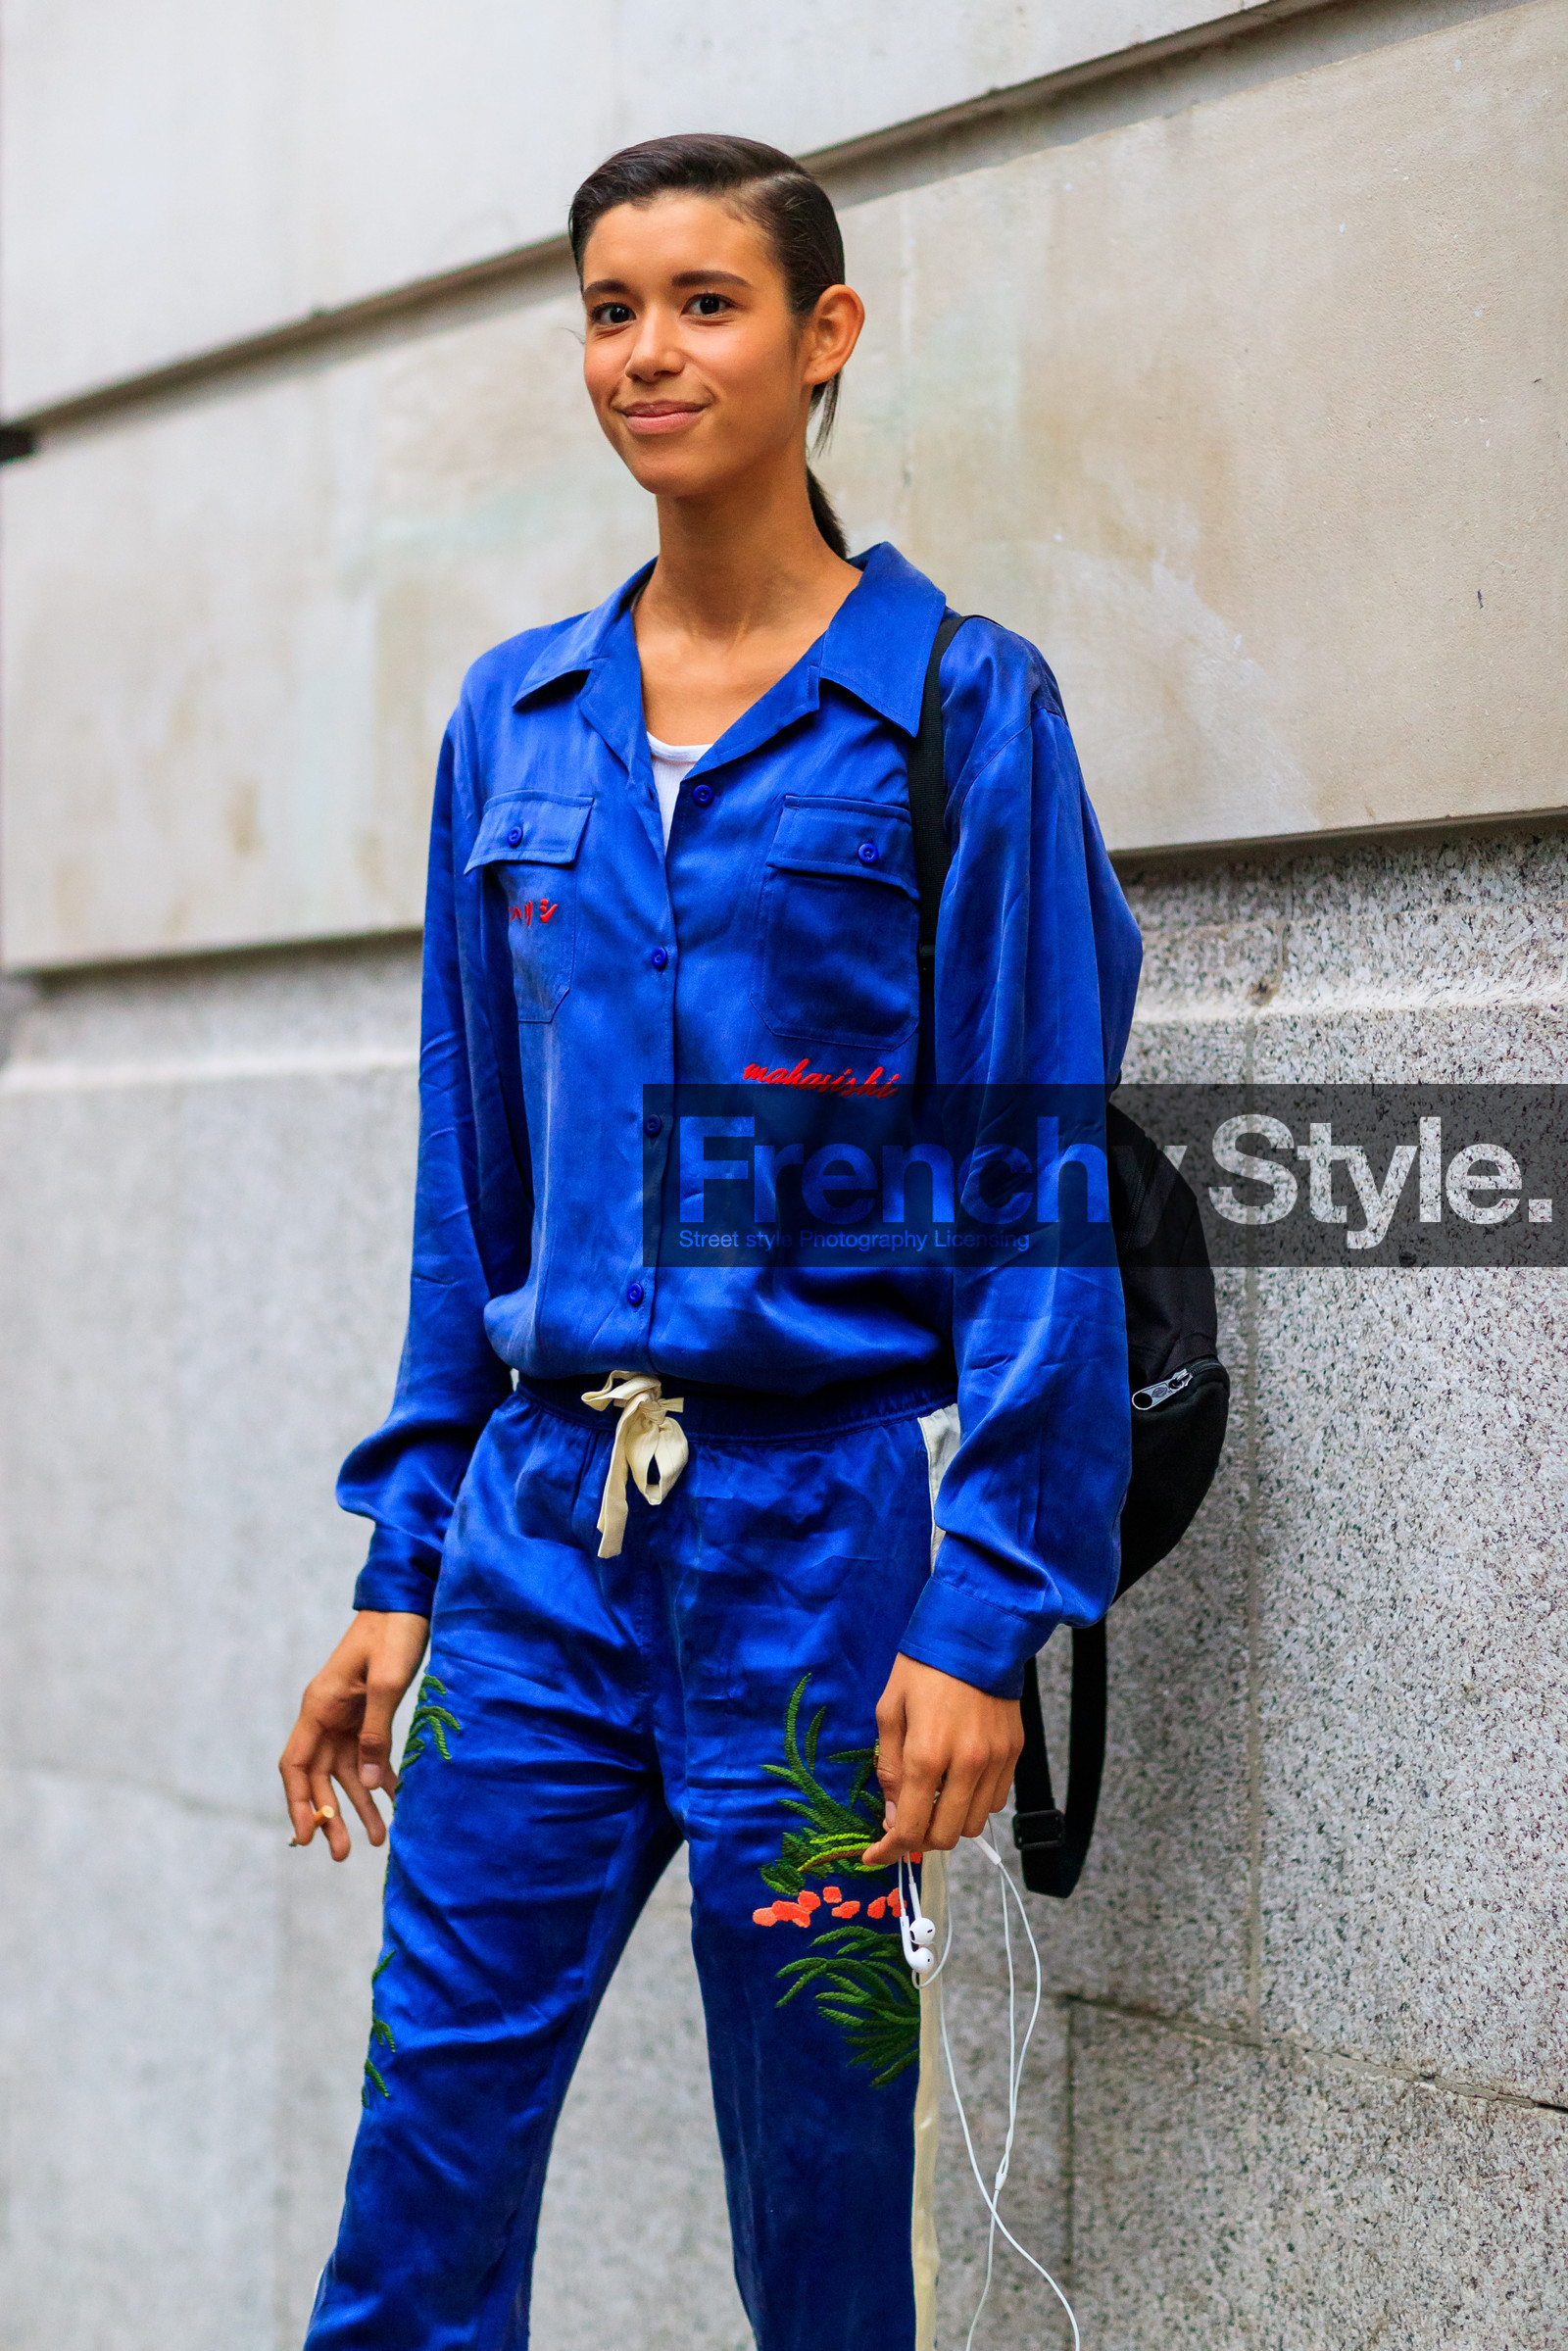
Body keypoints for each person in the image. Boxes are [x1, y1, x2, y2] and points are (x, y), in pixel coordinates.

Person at [280, 132, 1142, 2351]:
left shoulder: (962, 713)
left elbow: (1038, 1190)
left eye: (703, 302)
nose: (645, 352)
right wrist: (404, 1564)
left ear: (821, 338)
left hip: (821, 1568)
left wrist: (982, 1612)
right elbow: (471, 1174)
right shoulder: (514, 721)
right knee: (417, 2193)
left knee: (823, 2208)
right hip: (534, 1564)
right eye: (605, 308)